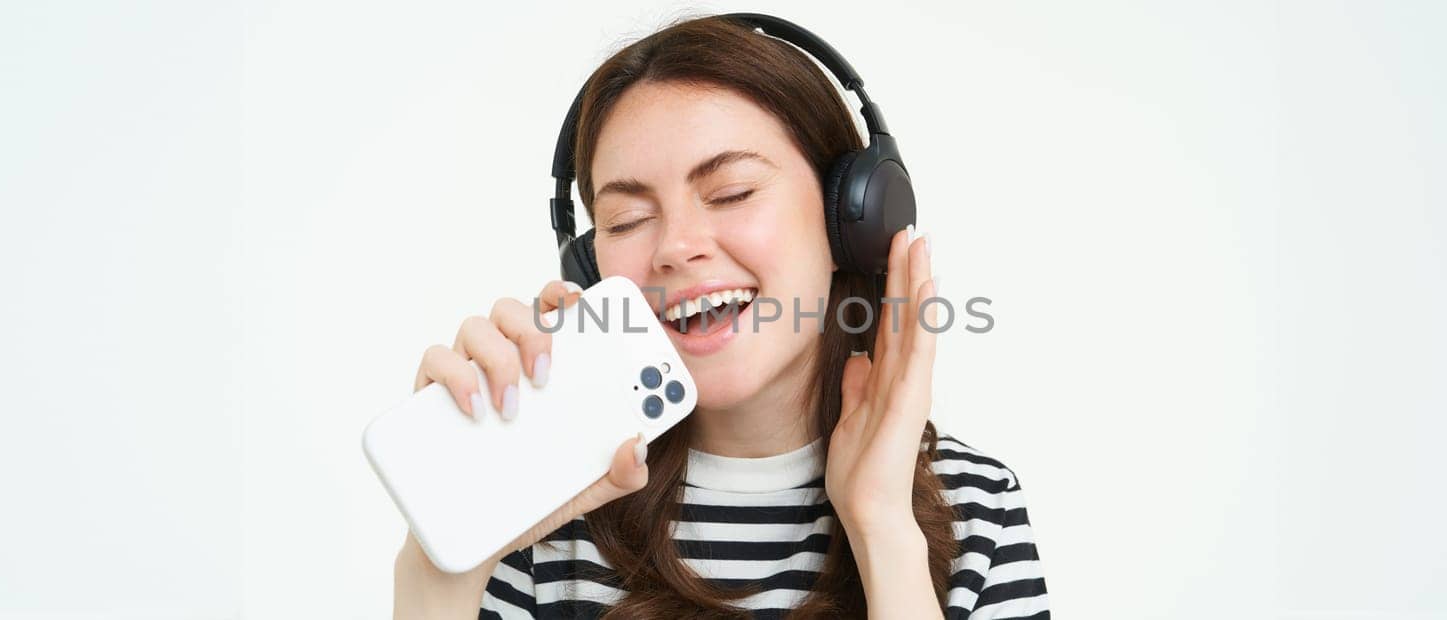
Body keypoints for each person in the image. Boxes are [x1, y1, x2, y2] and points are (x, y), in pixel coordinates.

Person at [391, 14, 1048, 619]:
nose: (677, 247)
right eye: (627, 218)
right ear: (589, 269)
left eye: (731, 192)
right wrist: (439, 569)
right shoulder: (533, 499)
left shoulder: (976, 507)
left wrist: (883, 530)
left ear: (850, 217)